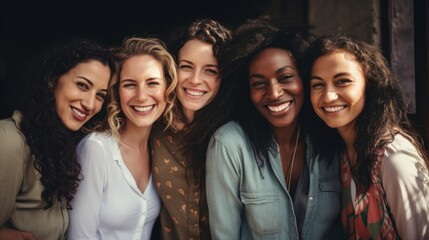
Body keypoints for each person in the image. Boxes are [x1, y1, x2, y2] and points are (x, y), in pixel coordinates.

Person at [205, 16, 343, 240]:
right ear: (247, 92)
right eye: (259, 83)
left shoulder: (329, 135)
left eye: (285, 77)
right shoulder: (229, 145)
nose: (274, 93)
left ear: (303, 79)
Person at [307, 33, 429, 239]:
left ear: (370, 85)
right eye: (318, 84)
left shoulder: (392, 157)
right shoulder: (342, 154)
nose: (328, 96)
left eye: (342, 81)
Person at [0, 39, 115, 240]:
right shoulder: (10, 141)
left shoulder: (58, 145)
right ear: (52, 79)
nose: (90, 104)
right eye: (82, 85)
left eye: (100, 95)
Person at [67, 37, 177, 240]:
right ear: (116, 92)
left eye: (152, 83)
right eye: (130, 85)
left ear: (167, 90)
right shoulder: (96, 149)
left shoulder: (161, 150)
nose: (142, 96)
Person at [150, 19, 231, 239]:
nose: (195, 80)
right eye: (186, 66)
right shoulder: (153, 125)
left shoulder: (234, 136)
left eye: (210, 71)